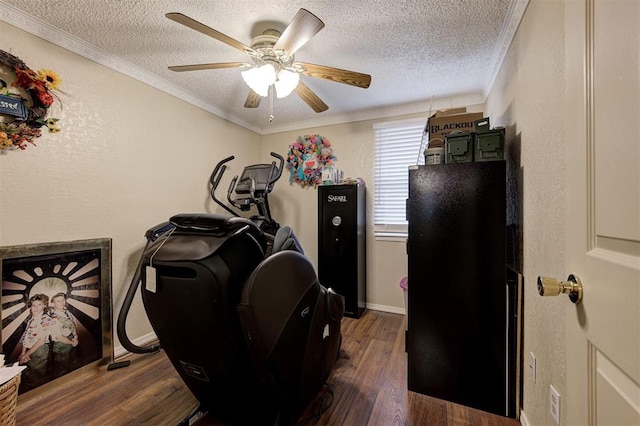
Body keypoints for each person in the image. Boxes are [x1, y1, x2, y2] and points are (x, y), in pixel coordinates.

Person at [19, 293, 53, 390]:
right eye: (34, 305)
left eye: (39, 305)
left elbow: (41, 341)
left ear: (44, 305)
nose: (36, 308)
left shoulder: (46, 319)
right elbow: (26, 337)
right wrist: (22, 353)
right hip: (29, 350)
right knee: (28, 376)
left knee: (38, 377)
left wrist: (26, 355)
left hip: (39, 350)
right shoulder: (31, 320)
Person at [48, 292, 79, 378]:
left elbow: (72, 324)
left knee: (73, 365)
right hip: (62, 345)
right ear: (53, 303)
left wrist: (75, 336)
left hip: (71, 339)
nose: (62, 302)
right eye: (58, 301)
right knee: (62, 371)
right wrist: (72, 342)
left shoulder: (66, 312)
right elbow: (59, 337)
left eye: (63, 300)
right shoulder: (53, 318)